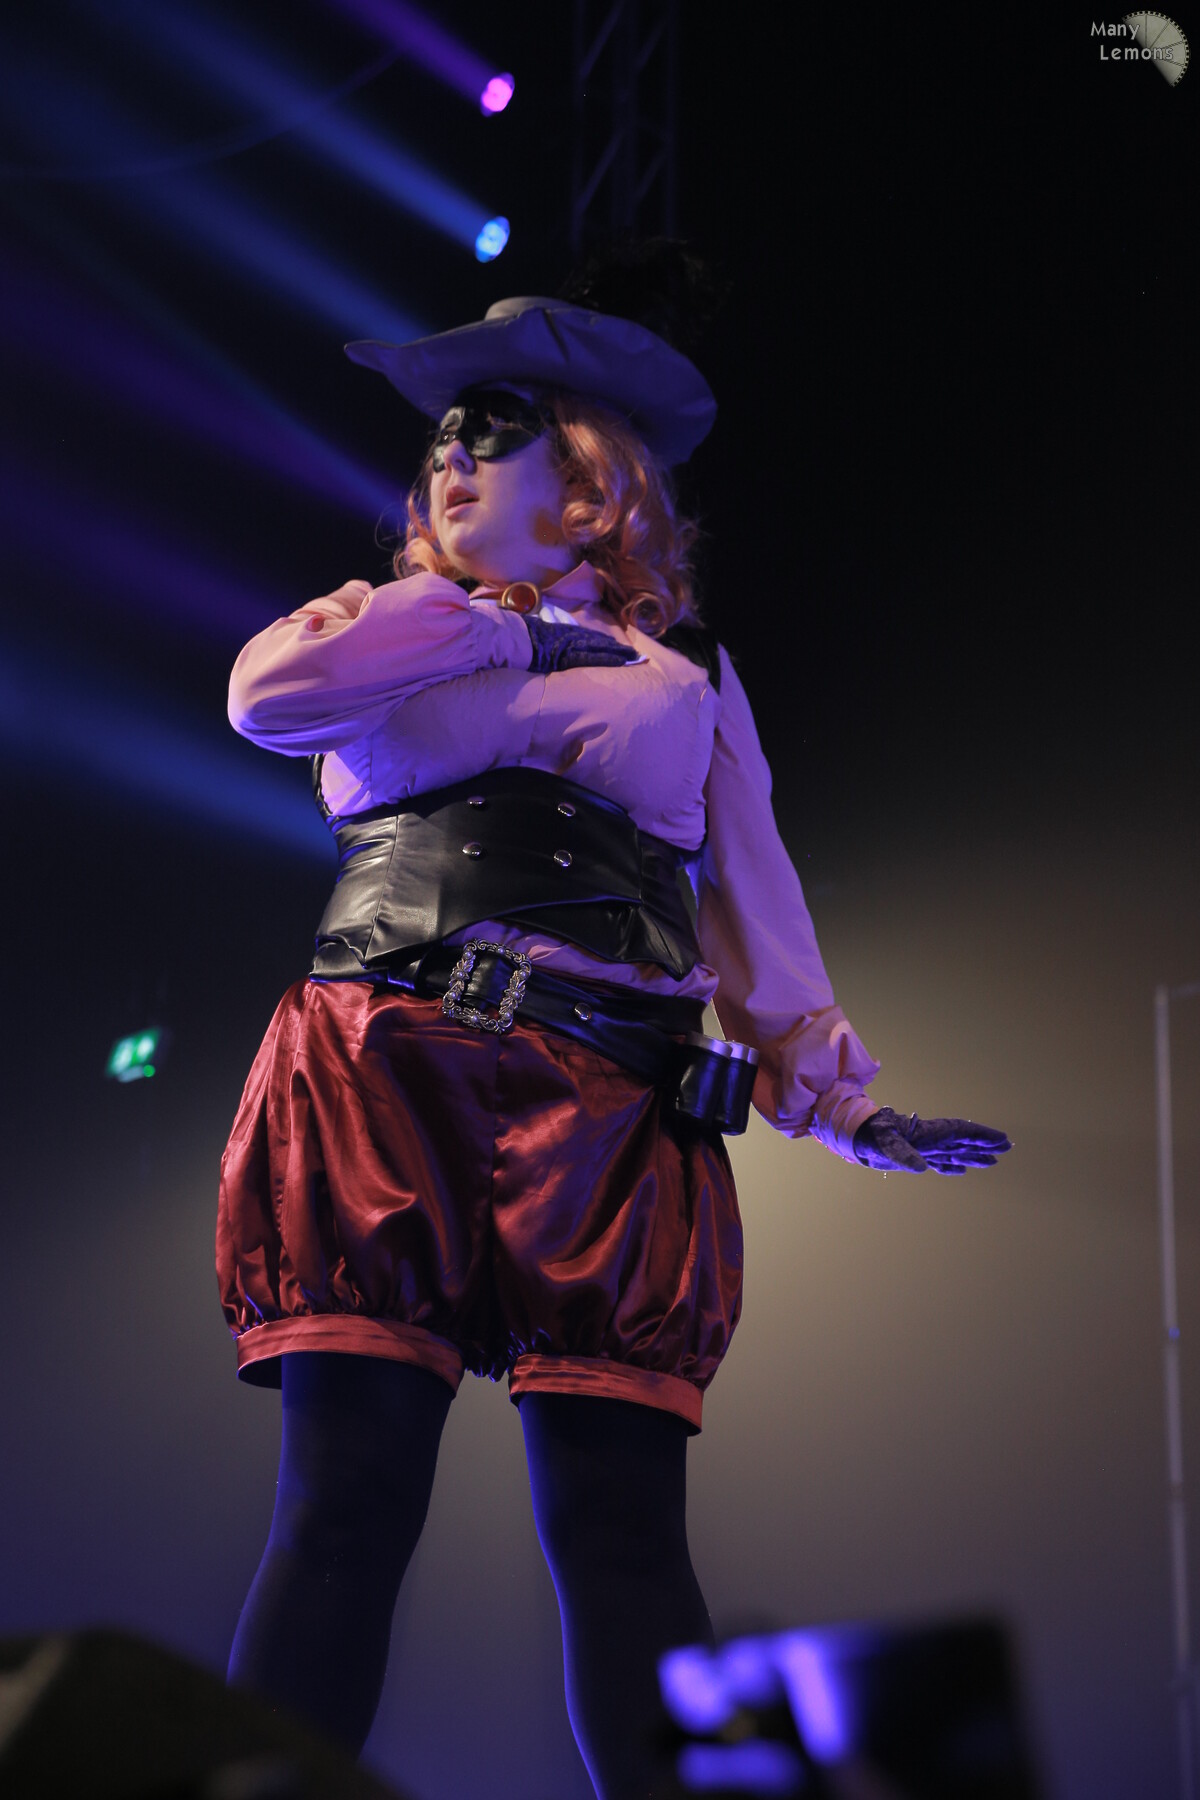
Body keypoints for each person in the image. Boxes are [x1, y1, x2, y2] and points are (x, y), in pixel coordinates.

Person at [215, 290, 1010, 1799]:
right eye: (440, 441)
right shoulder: (384, 624)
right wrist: (489, 617)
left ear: (587, 482)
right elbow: (267, 700)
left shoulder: (681, 671)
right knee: (345, 1504)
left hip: (611, 1102)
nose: (451, 456)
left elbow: (753, 894)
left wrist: (841, 1104)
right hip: (384, 1063)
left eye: (493, 429)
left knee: (625, 1534)